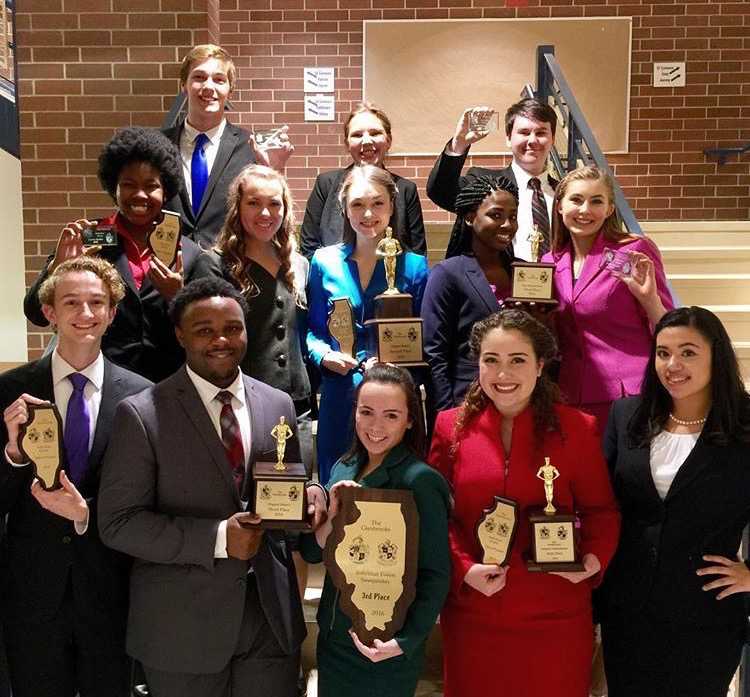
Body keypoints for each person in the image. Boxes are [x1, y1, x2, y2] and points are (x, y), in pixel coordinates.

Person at [98, 278, 327, 697]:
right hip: (183, 629)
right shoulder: (142, 414)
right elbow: (118, 523)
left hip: (269, 623)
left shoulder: (278, 404)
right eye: (205, 329)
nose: (221, 339)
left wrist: (313, 495)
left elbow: (286, 487)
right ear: (181, 335)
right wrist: (219, 538)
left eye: (233, 328)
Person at [428, 310, 620, 697]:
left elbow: (602, 512)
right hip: (474, 613)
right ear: (477, 364)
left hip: (555, 614)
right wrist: (463, 569)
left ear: (540, 365)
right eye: (491, 361)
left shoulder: (578, 429)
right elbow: (435, 515)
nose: (503, 375)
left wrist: (592, 562)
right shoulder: (450, 427)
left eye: (518, 360)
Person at [0, 257, 152, 697]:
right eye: (72, 302)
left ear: (111, 312)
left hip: (109, 587)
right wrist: (11, 453)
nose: (85, 314)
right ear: (49, 312)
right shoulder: (10, 391)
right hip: (33, 591)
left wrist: (87, 514)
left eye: (96, 303)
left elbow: (144, 498)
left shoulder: (142, 397)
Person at [600, 306, 750, 697]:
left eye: (688, 352)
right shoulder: (626, 415)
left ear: (716, 355)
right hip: (628, 611)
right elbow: (602, 504)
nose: (673, 364)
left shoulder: (746, 423)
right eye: (663, 353)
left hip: (705, 614)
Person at [24, 126, 219, 384]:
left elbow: (208, 326)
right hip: (101, 389)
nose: (139, 195)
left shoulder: (188, 252)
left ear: (166, 191)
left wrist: (178, 296)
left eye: (151, 186)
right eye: (128, 185)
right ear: (113, 187)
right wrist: (58, 269)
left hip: (170, 389)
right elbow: (36, 314)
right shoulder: (87, 238)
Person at [301, 364, 450, 697]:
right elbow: (313, 552)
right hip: (335, 637)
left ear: (411, 420)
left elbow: (437, 574)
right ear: (354, 413)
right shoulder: (343, 466)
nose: (376, 426)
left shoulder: (421, 482)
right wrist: (330, 518)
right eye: (366, 412)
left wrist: (405, 642)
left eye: (391, 415)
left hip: (387, 643)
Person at [306, 165, 429, 484]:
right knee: (337, 487)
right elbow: (312, 332)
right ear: (344, 209)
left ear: (392, 206)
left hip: (392, 399)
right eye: (358, 204)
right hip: (340, 391)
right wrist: (324, 356)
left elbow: (422, 339)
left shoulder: (414, 267)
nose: (368, 213)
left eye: (377, 203)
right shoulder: (323, 262)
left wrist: (398, 367)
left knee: (391, 491)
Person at [191, 165, 312, 464]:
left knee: (295, 496)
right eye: (254, 203)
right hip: (241, 403)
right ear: (237, 208)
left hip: (298, 406)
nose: (265, 213)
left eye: (274, 203)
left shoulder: (297, 264)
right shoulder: (214, 265)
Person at [541, 165, 674, 432]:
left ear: (610, 209)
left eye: (596, 201)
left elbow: (671, 328)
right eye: (576, 200)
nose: (585, 210)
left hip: (629, 395)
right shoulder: (549, 263)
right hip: (571, 395)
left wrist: (650, 301)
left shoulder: (631, 251)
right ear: (559, 206)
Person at [163, 44, 294, 248]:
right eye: (199, 77)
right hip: (169, 269)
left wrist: (275, 170)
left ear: (229, 90)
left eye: (219, 79)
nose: (208, 86)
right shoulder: (159, 146)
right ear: (183, 85)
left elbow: (269, 216)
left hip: (230, 268)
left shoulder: (250, 147)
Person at [421, 176, 519, 411]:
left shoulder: (523, 271)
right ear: (469, 217)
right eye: (496, 215)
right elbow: (434, 353)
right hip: (467, 402)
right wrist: (447, 414)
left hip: (520, 400)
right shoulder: (448, 273)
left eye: (512, 217)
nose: (507, 224)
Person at [427, 98, 557, 260]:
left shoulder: (565, 194)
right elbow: (440, 192)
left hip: (555, 283)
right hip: (494, 282)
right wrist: (459, 143)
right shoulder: (485, 183)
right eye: (524, 132)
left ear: (553, 139)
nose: (532, 140)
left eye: (541, 133)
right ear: (509, 138)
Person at [300, 102, 427, 259]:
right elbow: (308, 246)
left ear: (389, 140)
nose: (366, 141)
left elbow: (417, 251)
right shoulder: (325, 184)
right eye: (357, 135)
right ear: (347, 144)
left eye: (375, 133)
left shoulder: (406, 189)